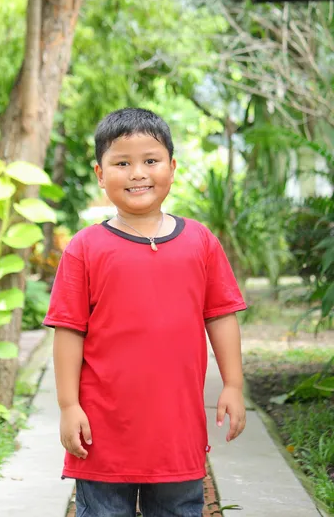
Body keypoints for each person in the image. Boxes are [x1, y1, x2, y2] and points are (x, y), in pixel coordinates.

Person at [43, 107, 247, 517]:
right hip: (102, 432)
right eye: (122, 163)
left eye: (150, 161)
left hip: (176, 431)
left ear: (171, 168)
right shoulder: (85, 248)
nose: (137, 173)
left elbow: (221, 316)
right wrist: (68, 406)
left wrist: (233, 385)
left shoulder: (200, 242)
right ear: (100, 173)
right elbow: (68, 331)